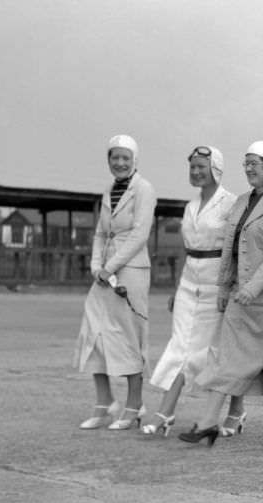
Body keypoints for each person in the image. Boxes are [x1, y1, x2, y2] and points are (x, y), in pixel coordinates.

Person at [179, 141, 263, 447]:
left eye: (254, 163)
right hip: (239, 295)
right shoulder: (241, 202)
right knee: (225, 359)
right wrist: (225, 287)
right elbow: (229, 250)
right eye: (245, 163)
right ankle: (208, 423)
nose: (248, 169)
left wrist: (252, 287)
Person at [140, 146, 246, 437]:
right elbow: (189, 251)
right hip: (189, 283)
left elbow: (237, 250)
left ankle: (235, 410)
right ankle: (167, 412)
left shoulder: (232, 203)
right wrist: (177, 288)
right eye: (192, 167)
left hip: (216, 283)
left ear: (216, 169)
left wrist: (228, 285)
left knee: (211, 351)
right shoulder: (190, 206)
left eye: (202, 166)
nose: (196, 172)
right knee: (181, 346)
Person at [76, 135, 157, 430]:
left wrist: (110, 266)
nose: (120, 163)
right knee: (94, 331)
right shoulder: (108, 190)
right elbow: (100, 232)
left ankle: (134, 404)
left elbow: (139, 234)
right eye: (114, 157)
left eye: (125, 158)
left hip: (131, 270)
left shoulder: (144, 189)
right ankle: (104, 402)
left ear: (135, 160)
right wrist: (96, 265)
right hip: (105, 271)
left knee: (128, 334)